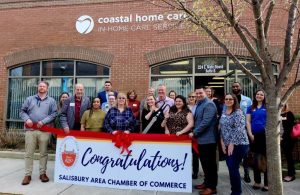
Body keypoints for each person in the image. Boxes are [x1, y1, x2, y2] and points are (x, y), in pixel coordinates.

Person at [20, 81, 57, 185]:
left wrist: (43, 121)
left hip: (44, 131)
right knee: (28, 153)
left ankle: (42, 173)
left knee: (43, 153)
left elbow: (54, 114)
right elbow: (22, 111)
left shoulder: (51, 101)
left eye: (43, 86)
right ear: (38, 88)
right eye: (40, 86)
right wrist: (27, 119)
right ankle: (27, 175)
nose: (41, 87)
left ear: (47, 88)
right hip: (30, 131)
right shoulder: (29, 99)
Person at [220, 93, 249, 195]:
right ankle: (235, 190)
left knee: (232, 166)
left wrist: (232, 143)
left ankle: (236, 192)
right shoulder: (224, 111)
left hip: (240, 144)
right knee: (231, 167)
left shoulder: (238, 112)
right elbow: (222, 128)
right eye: (226, 99)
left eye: (230, 99)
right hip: (227, 144)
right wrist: (222, 142)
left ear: (234, 100)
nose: (228, 101)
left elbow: (239, 129)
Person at [193, 88, 218, 195]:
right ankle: (207, 183)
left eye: (200, 93)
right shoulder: (199, 104)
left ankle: (212, 187)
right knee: (205, 163)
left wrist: (194, 132)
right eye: (197, 93)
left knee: (210, 165)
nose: (198, 95)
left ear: (206, 93)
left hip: (208, 140)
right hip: (201, 140)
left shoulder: (209, 104)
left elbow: (205, 122)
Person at [246, 90, 268, 191]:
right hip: (254, 136)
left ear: (264, 96)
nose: (259, 96)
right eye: (257, 94)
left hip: (265, 136)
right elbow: (248, 121)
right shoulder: (250, 108)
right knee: (255, 159)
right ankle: (257, 182)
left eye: (261, 94)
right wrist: (250, 134)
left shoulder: (267, 107)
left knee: (266, 159)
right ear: (254, 96)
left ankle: (267, 183)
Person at [231, 82, 252, 183]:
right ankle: (236, 173)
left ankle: (246, 173)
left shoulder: (247, 100)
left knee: (245, 153)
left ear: (241, 87)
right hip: (232, 130)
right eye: (233, 87)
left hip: (244, 130)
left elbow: (250, 115)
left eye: (237, 86)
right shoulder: (229, 99)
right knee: (234, 153)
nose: (235, 88)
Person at [281, 104, 296, 182]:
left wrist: (282, 137)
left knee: (289, 156)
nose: (281, 106)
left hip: (288, 139)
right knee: (284, 157)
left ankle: (291, 175)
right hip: (281, 139)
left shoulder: (289, 113)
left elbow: (290, 127)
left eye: (282, 104)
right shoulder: (277, 114)